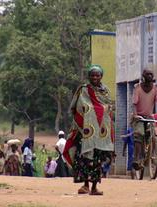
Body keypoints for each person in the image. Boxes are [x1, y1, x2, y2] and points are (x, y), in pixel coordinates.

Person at [63, 64, 114, 196]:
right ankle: (85, 185)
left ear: (101, 76)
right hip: (84, 132)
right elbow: (78, 107)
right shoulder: (83, 89)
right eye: (92, 75)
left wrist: (100, 111)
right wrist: (90, 111)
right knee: (84, 159)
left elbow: (109, 106)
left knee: (97, 160)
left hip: (100, 134)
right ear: (89, 76)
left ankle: (94, 187)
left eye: (97, 75)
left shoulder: (105, 91)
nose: (95, 77)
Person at [132, 69, 157, 170]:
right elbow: (134, 104)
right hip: (139, 117)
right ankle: (137, 159)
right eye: (148, 74)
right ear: (143, 76)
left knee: (153, 132)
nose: (150, 76)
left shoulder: (156, 88)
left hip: (149, 117)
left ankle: (152, 150)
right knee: (139, 135)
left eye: (151, 74)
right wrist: (135, 115)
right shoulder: (137, 88)